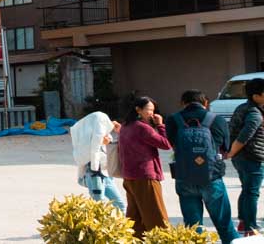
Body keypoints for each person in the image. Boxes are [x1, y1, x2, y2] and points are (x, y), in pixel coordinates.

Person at [165, 90, 238, 243]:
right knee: (224, 225)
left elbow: (172, 144)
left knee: (193, 228)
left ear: (183, 103)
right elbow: (225, 147)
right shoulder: (217, 120)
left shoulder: (173, 119)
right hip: (212, 177)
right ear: (205, 103)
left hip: (184, 177)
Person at [120, 96, 171, 239]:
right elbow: (166, 144)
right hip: (145, 176)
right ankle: (163, 242)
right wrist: (161, 125)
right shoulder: (142, 128)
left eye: (153, 110)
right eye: (149, 110)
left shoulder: (125, 126)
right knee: (157, 218)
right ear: (138, 110)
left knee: (135, 219)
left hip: (129, 177)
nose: (152, 113)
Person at [228, 78, 264, 237]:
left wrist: (232, 153)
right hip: (252, 157)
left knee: (247, 189)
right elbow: (244, 137)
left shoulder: (243, 107)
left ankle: (243, 223)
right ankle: (250, 227)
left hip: (241, 158)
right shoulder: (254, 114)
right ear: (256, 96)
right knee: (252, 192)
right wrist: (231, 152)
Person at [70, 111, 126, 213]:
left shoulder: (104, 136)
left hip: (106, 175)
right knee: (98, 207)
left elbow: (111, 141)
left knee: (120, 204)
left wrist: (118, 131)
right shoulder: (87, 141)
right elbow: (93, 150)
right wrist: (95, 169)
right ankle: (97, 228)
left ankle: (126, 227)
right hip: (95, 175)